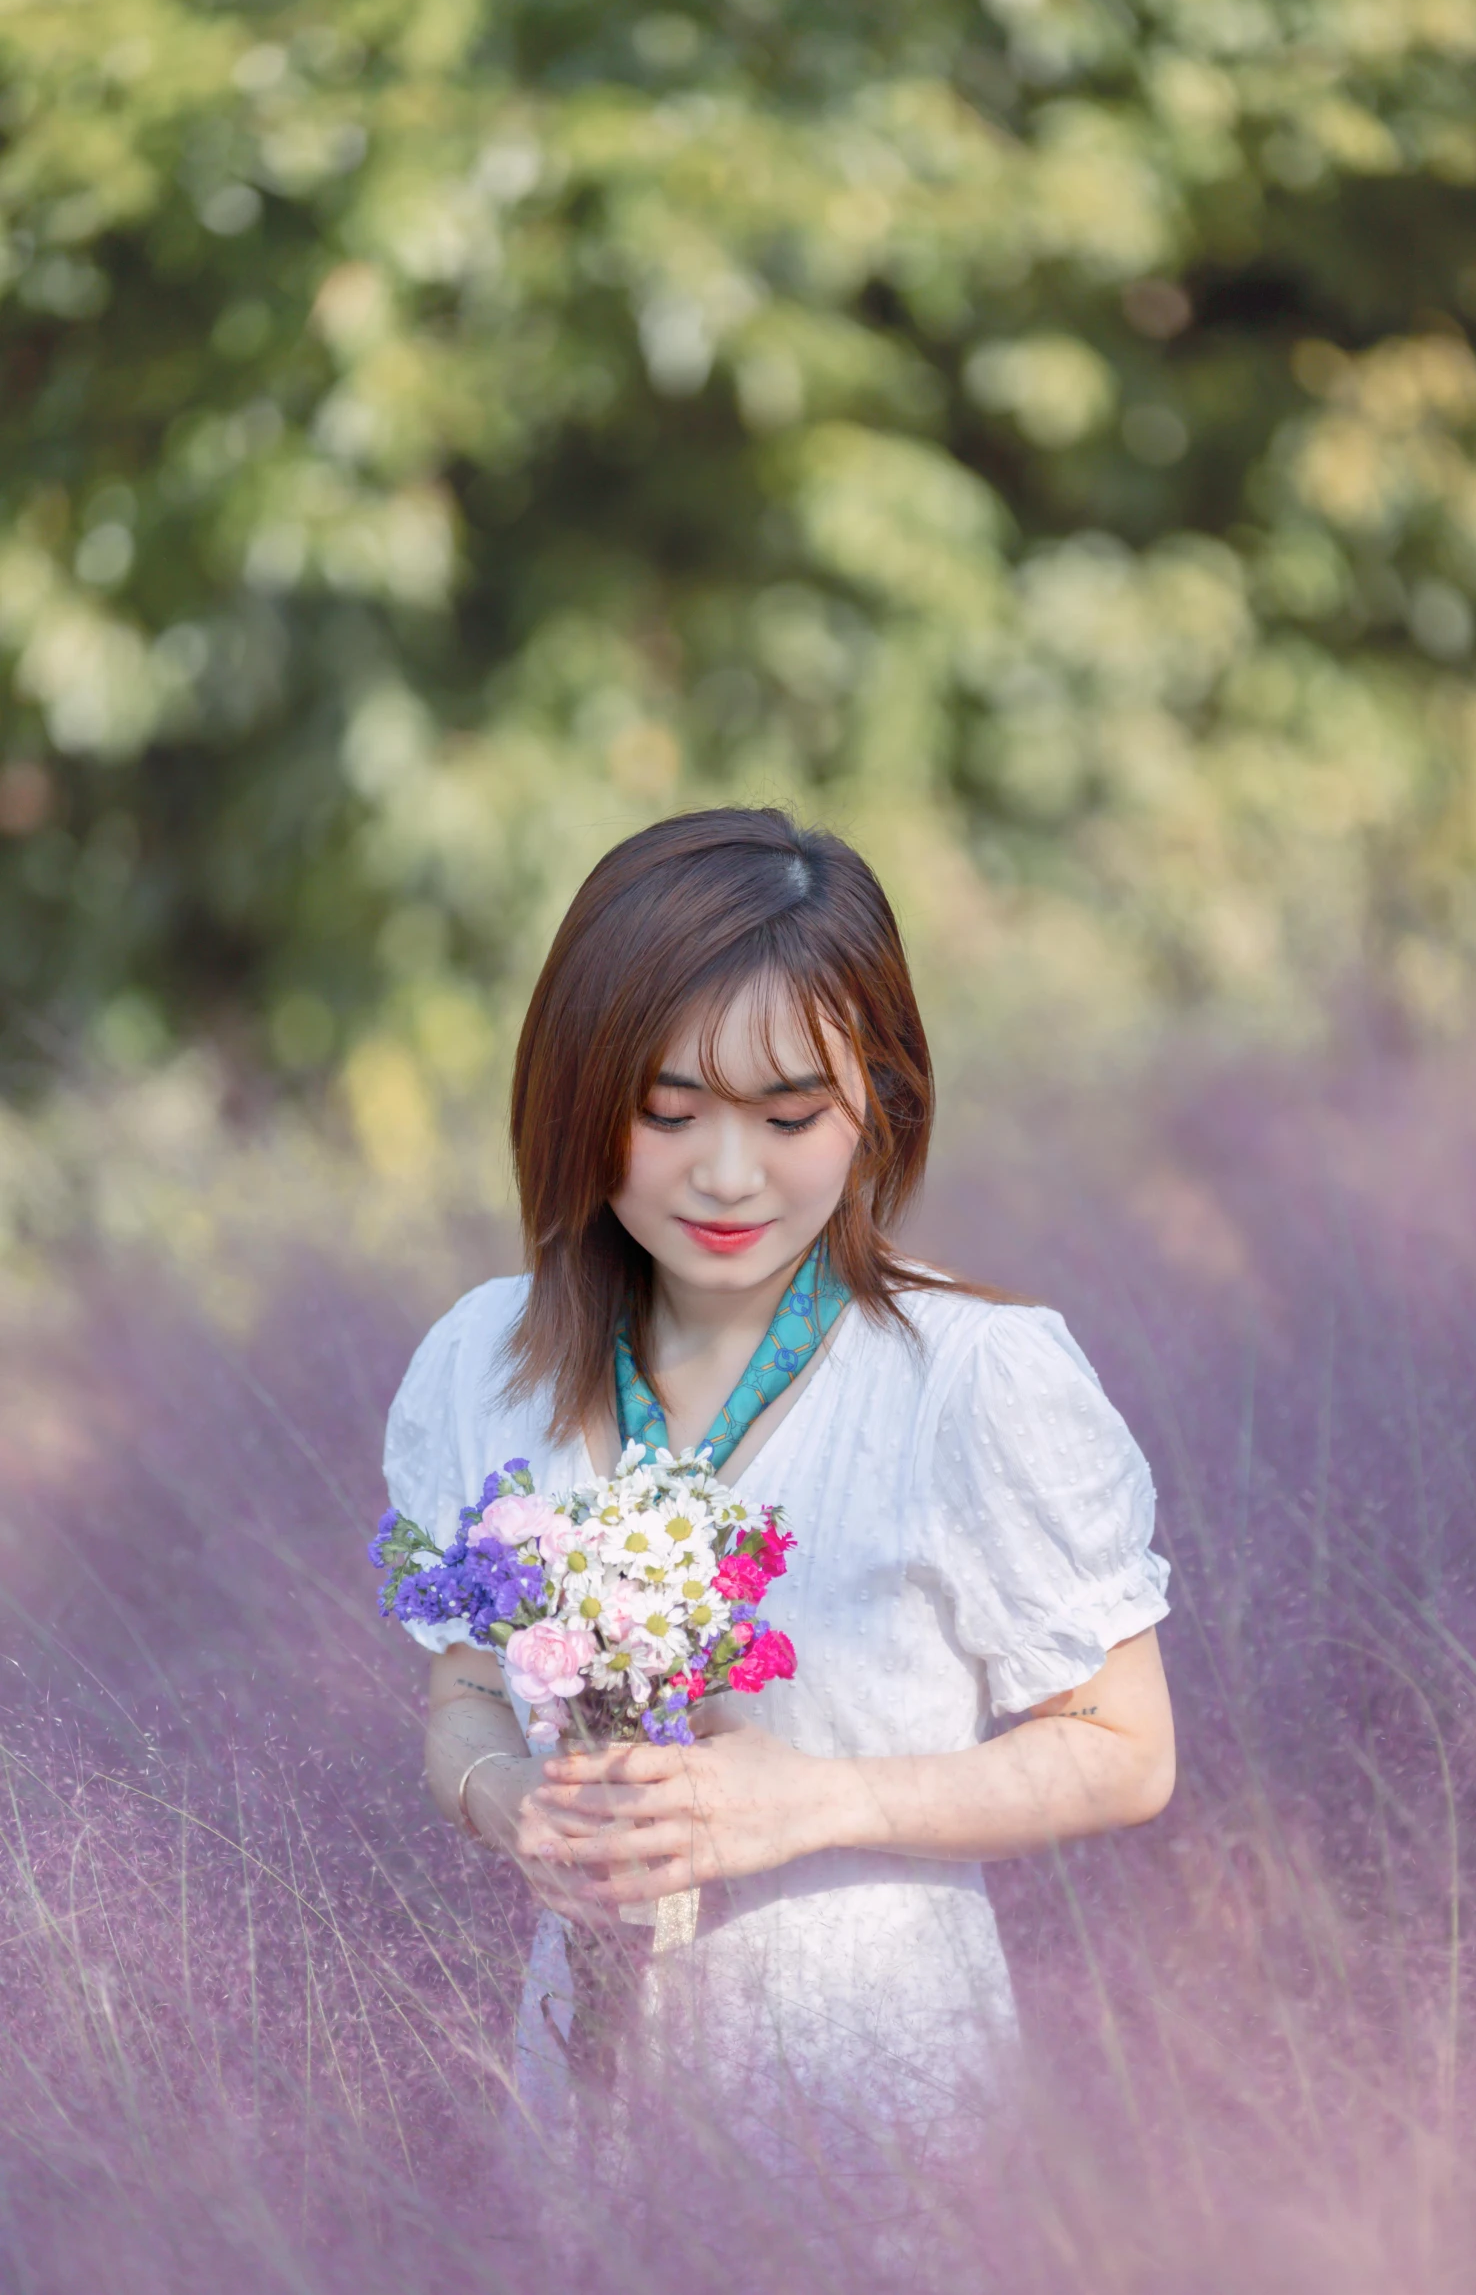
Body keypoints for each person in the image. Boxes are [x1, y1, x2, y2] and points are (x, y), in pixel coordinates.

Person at [384, 807, 1174, 2154]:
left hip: (881, 2111)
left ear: (880, 1100)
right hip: (579, 2105)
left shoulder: (975, 1377)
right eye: (668, 1110)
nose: (728, 1172)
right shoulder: (483, 1361)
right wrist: (519, 1807)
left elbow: (1122, 1750)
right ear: (576, 1097)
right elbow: (462, 1695)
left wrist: (817, 1798)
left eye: (789, 1111)